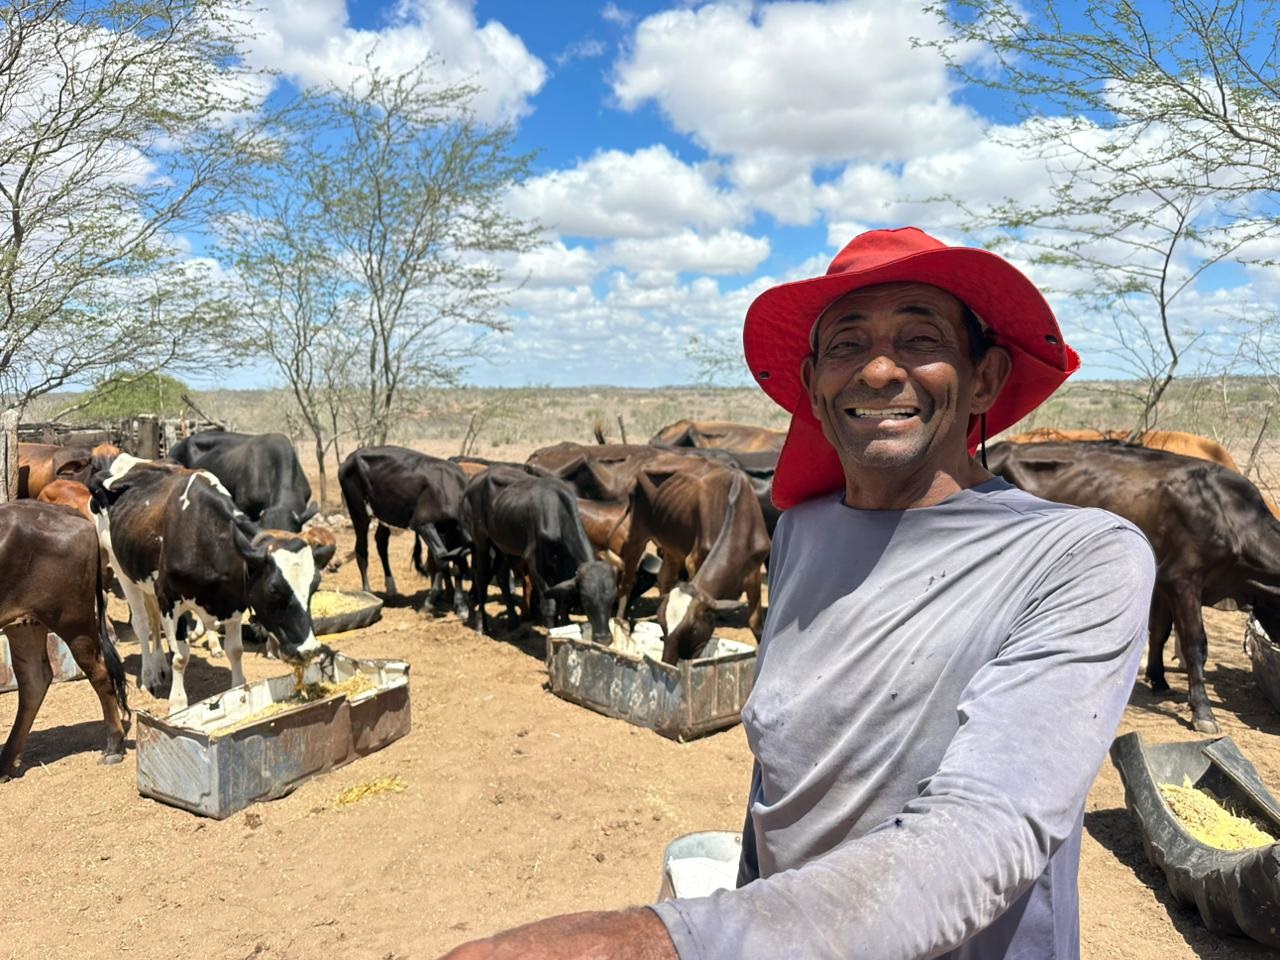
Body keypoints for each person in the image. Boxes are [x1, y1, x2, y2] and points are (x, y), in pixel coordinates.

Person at [438, 227, 1156, 960]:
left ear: (986, 377)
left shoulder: (1080, 557)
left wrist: (667, 943)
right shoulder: (800, 534)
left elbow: (983, 832)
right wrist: (748, 893)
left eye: (920, 338)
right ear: (814, 383)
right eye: (848, 343)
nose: (879, 369)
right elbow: (777, 783)